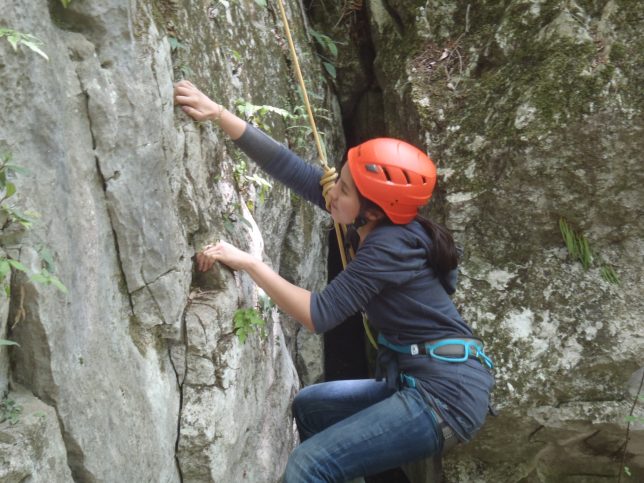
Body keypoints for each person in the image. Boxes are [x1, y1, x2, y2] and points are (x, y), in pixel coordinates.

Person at [174, 80, 495, 482]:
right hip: (417, 378)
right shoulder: (365, 218)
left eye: (343, 189)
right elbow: (291, 168)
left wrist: (251, 264)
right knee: (312, 407)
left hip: (444, 395)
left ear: (374, 211)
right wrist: (218, 113)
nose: (332, 192)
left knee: (309, 464)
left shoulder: (387, 248)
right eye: (339, 179)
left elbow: (319, 314)